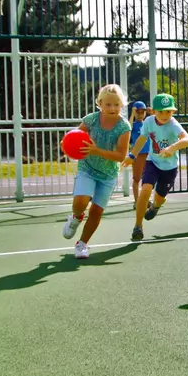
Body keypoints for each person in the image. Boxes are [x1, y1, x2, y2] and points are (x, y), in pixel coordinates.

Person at [61, 84, 132, 259]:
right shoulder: (91, 119)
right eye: (108, 104)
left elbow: (120, 156)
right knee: (81, 201)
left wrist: (97, 150)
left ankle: (82, 244)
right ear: (99, 103)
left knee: (97, 211)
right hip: (88, 168)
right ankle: (76, 217)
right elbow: (74, 138)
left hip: (108, 174)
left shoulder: (124, 127)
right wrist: (69, 147)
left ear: (122, 105)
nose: (112, 108)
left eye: (116, 104)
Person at [129, 93, 188, 242]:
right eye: (161, 111)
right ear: (153, 111)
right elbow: (142, 138)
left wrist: (172, 147)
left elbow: (187, 140)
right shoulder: (149, 122)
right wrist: (132, 156)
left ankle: (155, 206)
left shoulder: (173, 124)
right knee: (145, 189)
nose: (164, 115)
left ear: (173, 112)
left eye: (168, 111)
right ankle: (138, 227)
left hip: (170, 168)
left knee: (159, 198)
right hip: (153, 162)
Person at [122, 100, 150, 209]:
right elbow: (127, 128)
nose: (140, 114)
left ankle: (145, 200)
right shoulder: (133, 125)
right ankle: (136, 201)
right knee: (137, 179)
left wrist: (151, 112)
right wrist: (132, 115)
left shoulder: (147, 123)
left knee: (147, 179)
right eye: (138, 112)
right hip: (137, 155)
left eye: (142, 112)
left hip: (148, 154)